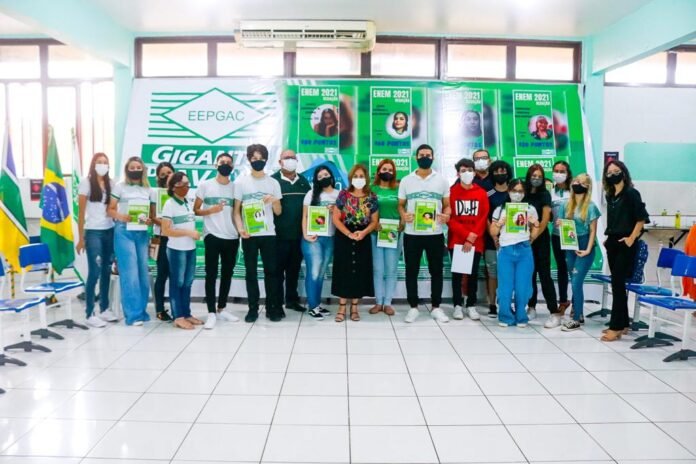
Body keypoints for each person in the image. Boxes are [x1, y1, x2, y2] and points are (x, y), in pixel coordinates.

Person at [398, 144, 451, 323]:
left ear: (433, 157)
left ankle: (436, 307)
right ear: (416, 157)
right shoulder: (406, 180)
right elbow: (400, 204)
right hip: (412, 233)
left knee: (436, 270)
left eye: (428, 155)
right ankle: (413, 307)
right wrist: (404, 215)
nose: (425, 157)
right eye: (421, 155)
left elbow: (447, 205)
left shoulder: (442, 180)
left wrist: (447, 215)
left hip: (435, 233)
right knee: (411, 270)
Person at [233, 144, 283, 322]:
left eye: (261, 158)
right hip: (249, 235)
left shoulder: (273, 183)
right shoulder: (241, 183)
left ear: (266, 159)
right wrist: (241, 229)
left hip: (269, 234)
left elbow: (278, 212)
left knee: (271, 272)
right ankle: (252, 308)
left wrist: (274, 200)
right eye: (254, 158)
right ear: (249, 160)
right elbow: (236, 211)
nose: (257, 161)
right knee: (251, 273)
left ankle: (271, 308)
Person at [601, 160, 649, 342]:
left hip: (625, 243)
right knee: (618, 285)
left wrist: (631, 238)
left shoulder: (631, 193)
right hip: (613, 242)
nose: (613, 174)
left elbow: (641, 218)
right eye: (609, 172)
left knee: (618, 284)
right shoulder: (610, 195)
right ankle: (623, 324)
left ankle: (616, 327)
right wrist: (609, 238)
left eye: (616, 171)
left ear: (623, 172)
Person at [194, 153, 240, 329]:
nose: (225, 165)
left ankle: (222, 308)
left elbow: (239, 211)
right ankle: (211, 312)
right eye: (222, 162)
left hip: (232, 236)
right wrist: (210, 211)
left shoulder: (236, 188)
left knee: (227, 273)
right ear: (216, 165)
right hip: (212, 235)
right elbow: (196, 209)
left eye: (228, 163)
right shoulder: (205, 185)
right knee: (211, 274)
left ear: (232, 167)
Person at [107, 156, 153, 326]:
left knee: (142, 273)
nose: (135, 170)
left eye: (138, 167)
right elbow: (110, 209)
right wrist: (121, 216)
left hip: (141, 233)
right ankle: (133, 315)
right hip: (124, 231)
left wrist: (149, 221)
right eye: (132, 168)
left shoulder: (148, 189)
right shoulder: (120, 187)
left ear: (143, 169)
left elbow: (151, 215)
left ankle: (141, 310)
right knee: (130, 273)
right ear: (127, 170)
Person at [489, 179, 540, 327]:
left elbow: (535, 230)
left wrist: (535, 225)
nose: (517, 194)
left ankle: (521, 316)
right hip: (506, 250)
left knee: (523, 287)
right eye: (514, 191)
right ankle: (505, 316)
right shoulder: (500, 209)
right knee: (505, 286)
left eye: (520, 191)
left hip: (524, 250)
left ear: (524, 193)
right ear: (509, 191)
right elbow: (493, 231)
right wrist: (499, 223)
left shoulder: (530, 209)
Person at [332, 164, 379, 322]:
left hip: (363, 237)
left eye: (361, 176)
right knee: (343, 271)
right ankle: (341, 307)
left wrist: (363, 233)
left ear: (366, 178)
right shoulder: (343, 195)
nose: (359, 179)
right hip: (344, 235)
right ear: (351, 178)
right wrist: (348, 233)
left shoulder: (371, 197)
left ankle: (354, 307)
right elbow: (335, 218)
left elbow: (374, 221)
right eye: (356, 176)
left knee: (359, 271)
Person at [76, 152, 117, 328]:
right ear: (93, 164)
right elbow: (80, 213)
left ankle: (104, 308)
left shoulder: (111, 183)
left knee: (107, 270)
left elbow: (114, 208)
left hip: (109, 230)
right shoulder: (86, 183)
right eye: (99, 162)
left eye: (105, 162)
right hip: (93, 232)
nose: (102, 165)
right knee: (94, 271)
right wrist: (80, 238)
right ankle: (89, 313)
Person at [557, 174, 601, 332]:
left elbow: (593, 231)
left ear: (587, 186)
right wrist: (560, 224)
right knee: (575, 280)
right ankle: (579, 312)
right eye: (576, 181)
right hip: (570, 245)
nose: (577, 184)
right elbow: (562, 226)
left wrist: (588, 249)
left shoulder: (591, 207)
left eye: (581, 182)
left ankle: (575, 319)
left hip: (585, 245)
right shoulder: (565, 205)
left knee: (576, 281)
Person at [448, 158, 490, 321]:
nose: (467, 173)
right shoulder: (452, 192)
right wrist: (466, 236)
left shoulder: (481, 193)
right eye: (463, 170)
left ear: (474, 172)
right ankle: (457, 305)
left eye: (470, 170)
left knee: (472, 273)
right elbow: (450, 218)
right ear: (458, 173)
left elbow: (483, 217)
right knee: (457, 274)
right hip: (457, 240)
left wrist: (472, 237)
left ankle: (471, 304)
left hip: (475, 241)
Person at [160, 172, 201, 330]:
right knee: (177, 283)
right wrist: (188, 233)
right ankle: (178, 316)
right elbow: (166, 230)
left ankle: (187, 313)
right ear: (173, 187)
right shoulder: (169, 204)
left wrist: (193, 233)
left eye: (187, 183)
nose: (185, 187)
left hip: (190, 248)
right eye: (181, 184)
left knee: (188, 282)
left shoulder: (187, 202)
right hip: (177, 249)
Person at [272, 149, 311, 313]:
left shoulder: (303, 181)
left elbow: (310, 207)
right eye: (286, 157)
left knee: (293, 270)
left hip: (298, 236)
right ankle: (276, 303)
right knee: (277, 272)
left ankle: (291, 300)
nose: (290, 160)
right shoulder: (272, 181)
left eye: (293, 158)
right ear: (280, 162)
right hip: (277, 236)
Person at [524, 164, 560, 328]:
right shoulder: (523, 193)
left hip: (540, 239)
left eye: (539, 176)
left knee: (545, 275)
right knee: (529, 275)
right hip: (525, 239)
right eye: (534, 176)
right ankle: (531, 307)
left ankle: (554, 312)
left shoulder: (545, 194)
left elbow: (545, 220)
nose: (536, 179)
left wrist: (534, 236)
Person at [302, 166, 339, 319]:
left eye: (326, 174)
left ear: (331, 176)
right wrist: (305, 234)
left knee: (321, 273)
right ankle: (312, 306)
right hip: (314, 238)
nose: (324, 177)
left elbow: (345, 216)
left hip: (331, 237)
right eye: (320, 176)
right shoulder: (311, 194)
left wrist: (335, 210)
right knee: (314, 272)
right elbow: (305, 216)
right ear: (316, 180)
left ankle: (317, 304)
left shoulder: (339, 194)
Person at [370, 158, 403, 316]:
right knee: (377, 269)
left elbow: (404, 208)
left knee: (391, 268)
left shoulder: (399, 190)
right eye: (384, 169)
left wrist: (402, 223)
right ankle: (378, 302)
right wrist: (373, 223)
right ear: (378, 172)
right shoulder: (372, 189)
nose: (387, 172)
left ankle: (388, 303)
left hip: (393, 233)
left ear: (394, 173)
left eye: (390, 170)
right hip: (375, 233)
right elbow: (366, 210)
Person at [480, 160, 513, 318]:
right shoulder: (487, 193)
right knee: (492, 273)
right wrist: (493, 235)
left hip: (511, 239)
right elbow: (485, 217)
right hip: (491, 239)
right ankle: (492, 304)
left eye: (503, 171)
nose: (501, 174)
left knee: (509, 273)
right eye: (497, 172)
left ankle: (506, 303)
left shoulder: (514, 192)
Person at [151, 161, 174, 322]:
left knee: (175, 275)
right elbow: (153, 217)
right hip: (162, 238)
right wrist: (167, 225)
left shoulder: (179, 191)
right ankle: (159, 309)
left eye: (169, 173)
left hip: (177, 237)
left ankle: (176, 308)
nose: (166, 176)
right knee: (162, 274)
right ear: (158, 177)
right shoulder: (155, 193)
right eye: (163, 174)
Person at [550, 161, 573, 316]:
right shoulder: (551, 191)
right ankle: (563, 301)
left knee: (574, 269)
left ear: (567, 173)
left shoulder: (574, 190)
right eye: (556, 171)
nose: (558, 174)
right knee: (562, 268)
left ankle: (577, 304)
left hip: (572, 235)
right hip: (556, 235)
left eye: (562, 171)